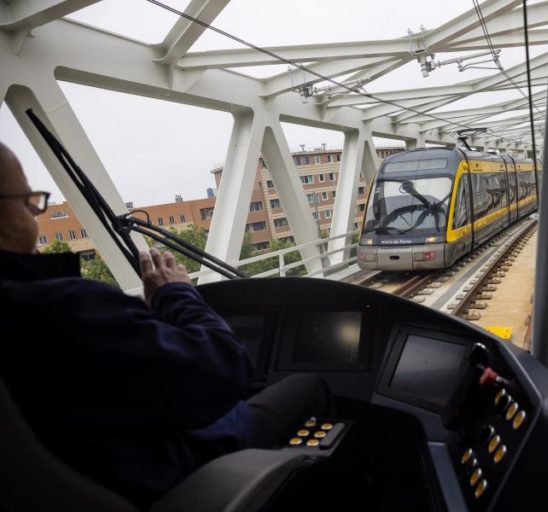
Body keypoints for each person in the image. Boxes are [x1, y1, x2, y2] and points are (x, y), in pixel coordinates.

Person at [0, 142, 330, 507]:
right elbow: (226, 370)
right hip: (160, 469)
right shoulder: (58, 308)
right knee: (308, 385)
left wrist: (138, 321)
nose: (34, 216)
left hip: (90, 472)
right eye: (28, 204)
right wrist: (175, 296)